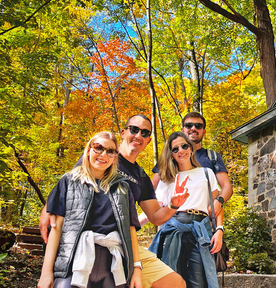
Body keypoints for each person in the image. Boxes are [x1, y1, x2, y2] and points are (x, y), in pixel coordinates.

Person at [39, 115, 187, 288]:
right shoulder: (98, 157)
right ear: (123, 132)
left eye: (145, 133)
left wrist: (173, 204)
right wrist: (47, 209)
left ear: (148, 140)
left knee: (175, 283)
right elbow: (70, 193)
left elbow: (154, 216)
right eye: (134, 129)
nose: (138, 135)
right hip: (81, 240)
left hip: (121, 242)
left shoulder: (140, 178)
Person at [38, 131, 142, 288]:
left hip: (113, 266)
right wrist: (46, 272)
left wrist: (136, 269)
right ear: (88, 150)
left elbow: (130, 229)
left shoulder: (123, 187)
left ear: (115, 157)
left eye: (111, 151)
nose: (103, 154)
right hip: (74, 263)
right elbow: (56, 228)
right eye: (98, 147)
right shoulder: (69, 181)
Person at [148, 132, 223, 288]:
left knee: (199, 282)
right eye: (175, 149)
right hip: (173, 228)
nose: (180, 151)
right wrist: (133, 224)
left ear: (191, 148)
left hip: (200, 230)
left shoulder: (205, 172)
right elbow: (155, 211)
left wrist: (220, 230)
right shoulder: (166, 177)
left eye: (184, 146)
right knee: (173, 280)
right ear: (171, 154)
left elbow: (215, 205)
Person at [151, 112, 232, 217]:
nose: (193, 128)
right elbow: (152, 189)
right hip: (171, 221)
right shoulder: (168, 160)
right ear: (182, 130)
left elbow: (227, 187)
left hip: (202, 221)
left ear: (204, 132)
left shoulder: (212, 157)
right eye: (189, 125)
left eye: (198, 126)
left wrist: (218, 201)